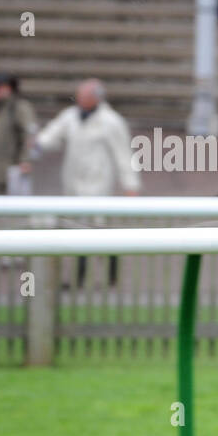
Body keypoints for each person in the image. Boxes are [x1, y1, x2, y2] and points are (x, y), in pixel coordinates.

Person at [33, 79, 138, 287]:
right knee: (76, 229)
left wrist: (130, 184)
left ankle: (107, 277)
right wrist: (36, 144)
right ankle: (78, 278)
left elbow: (123, 155)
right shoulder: (70, 116)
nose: (80, 99)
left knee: (99, 230)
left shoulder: (111, 121)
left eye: (84, 96)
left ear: (96, 98)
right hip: (74, 181)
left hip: (98, 182)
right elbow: (51, 135)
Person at [0, 73, 37, 196]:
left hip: (10, 171)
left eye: (0, 88)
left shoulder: (19, 107)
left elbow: (30, 134)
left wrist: (25, 160)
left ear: (10, 88)